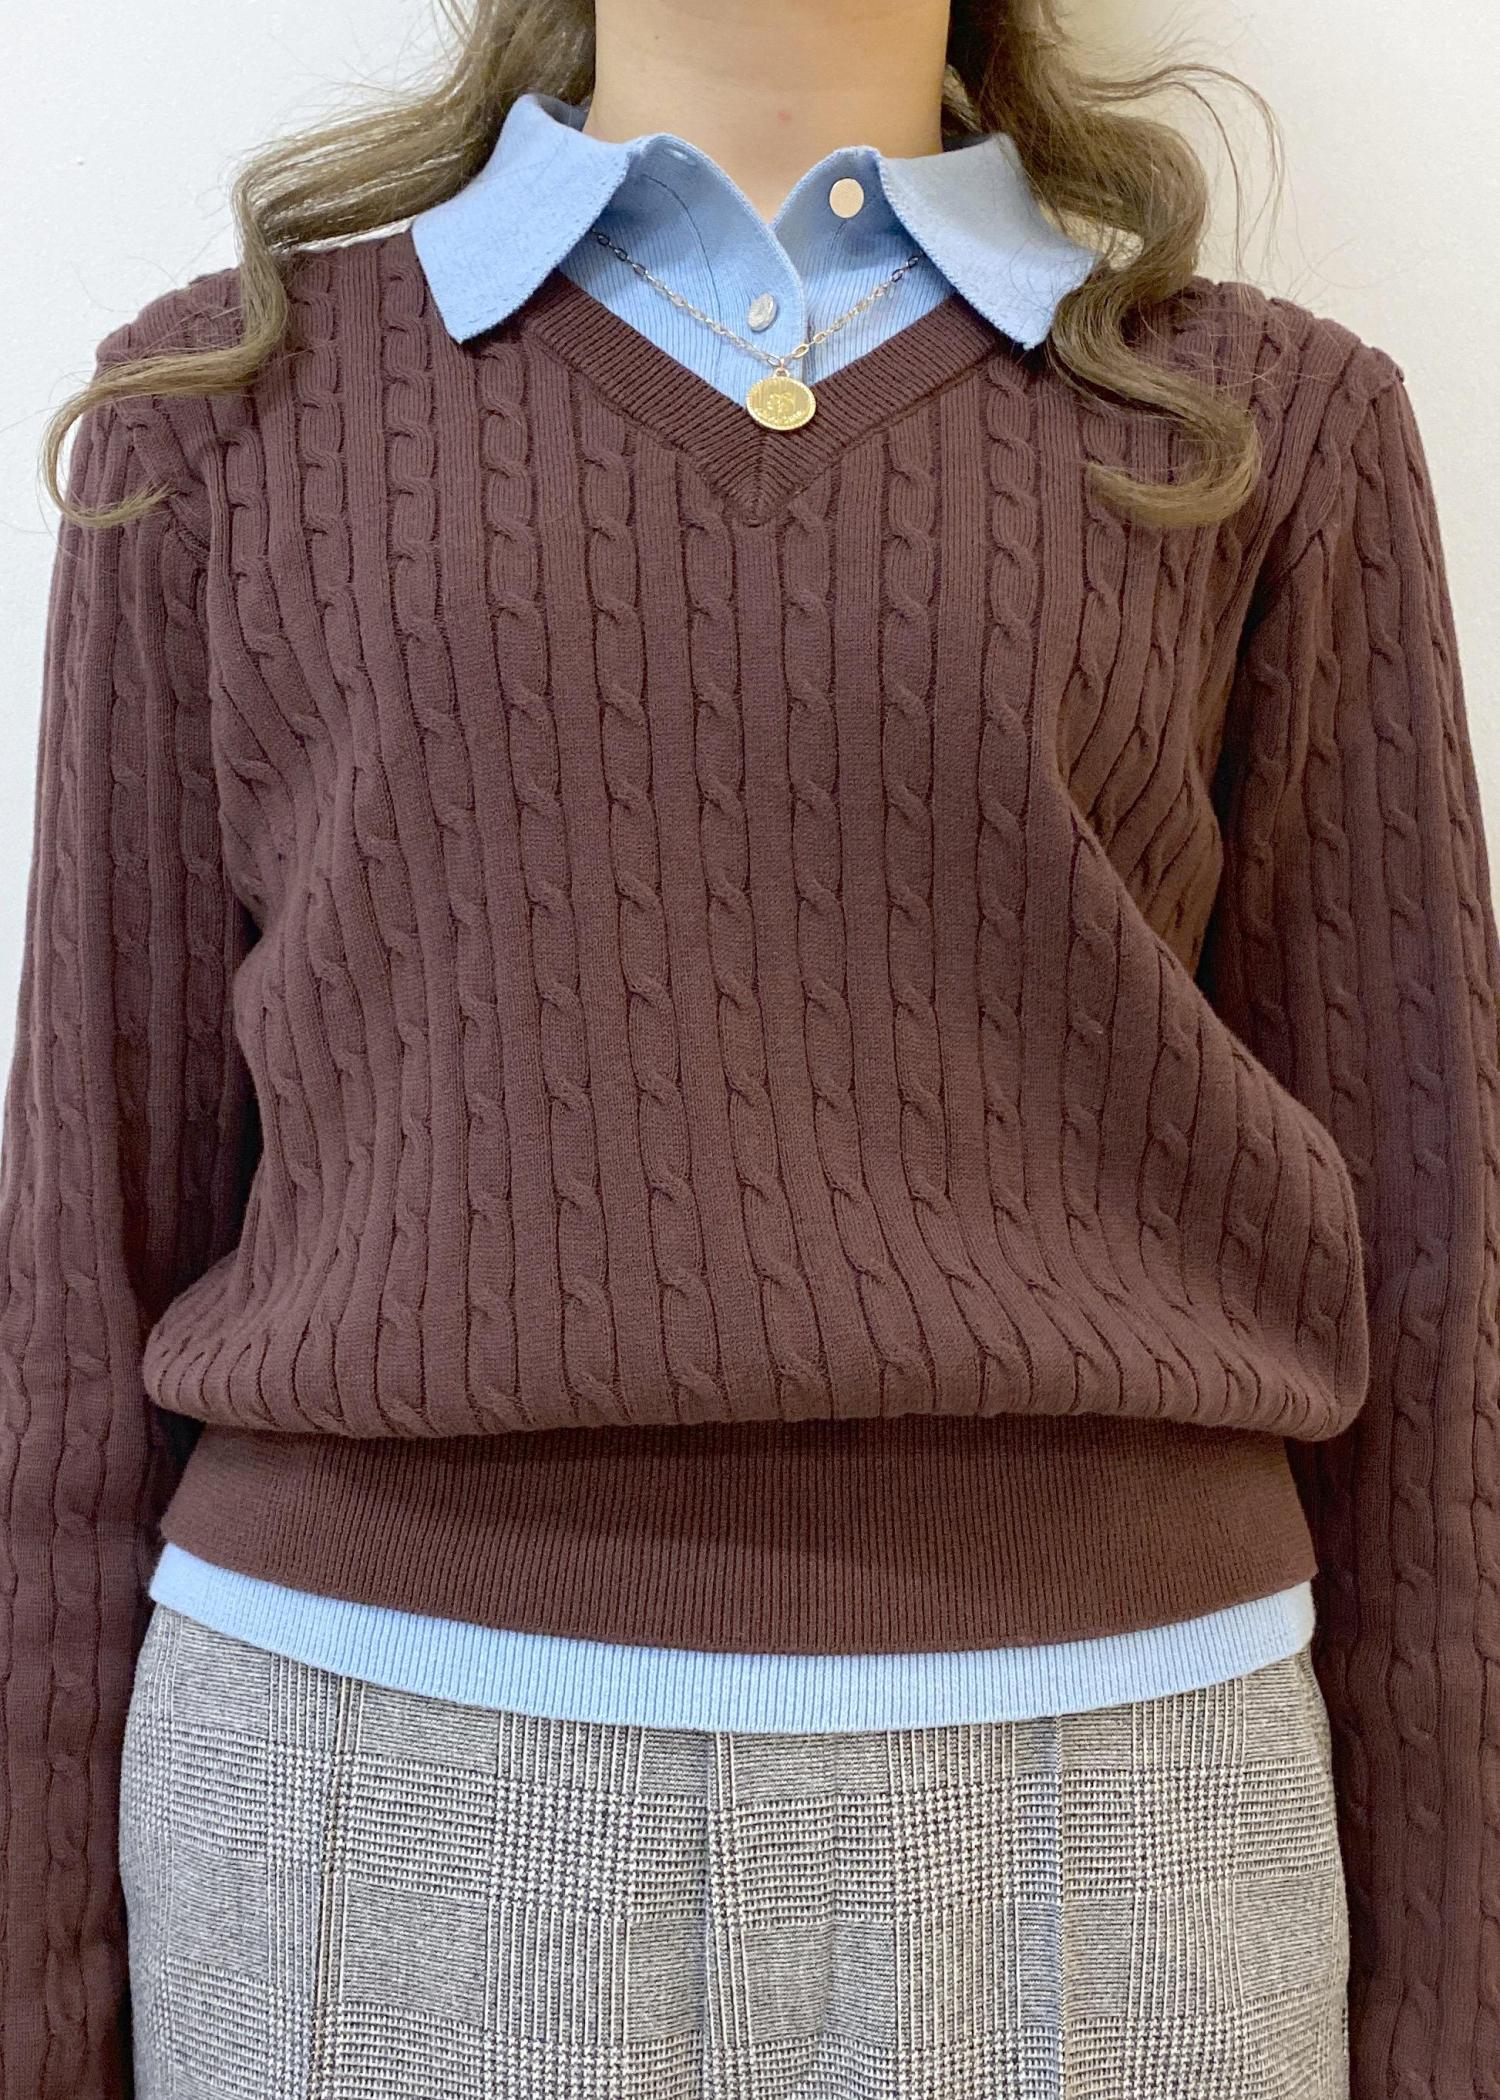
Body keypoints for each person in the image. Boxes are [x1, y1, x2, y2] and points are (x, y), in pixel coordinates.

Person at [3, 0, 1496, 2095]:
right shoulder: (228, 412)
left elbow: (1435, 1286)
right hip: (360, 1787)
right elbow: (76, 1285)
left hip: (1123, 1797)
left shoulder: (1261, 429)